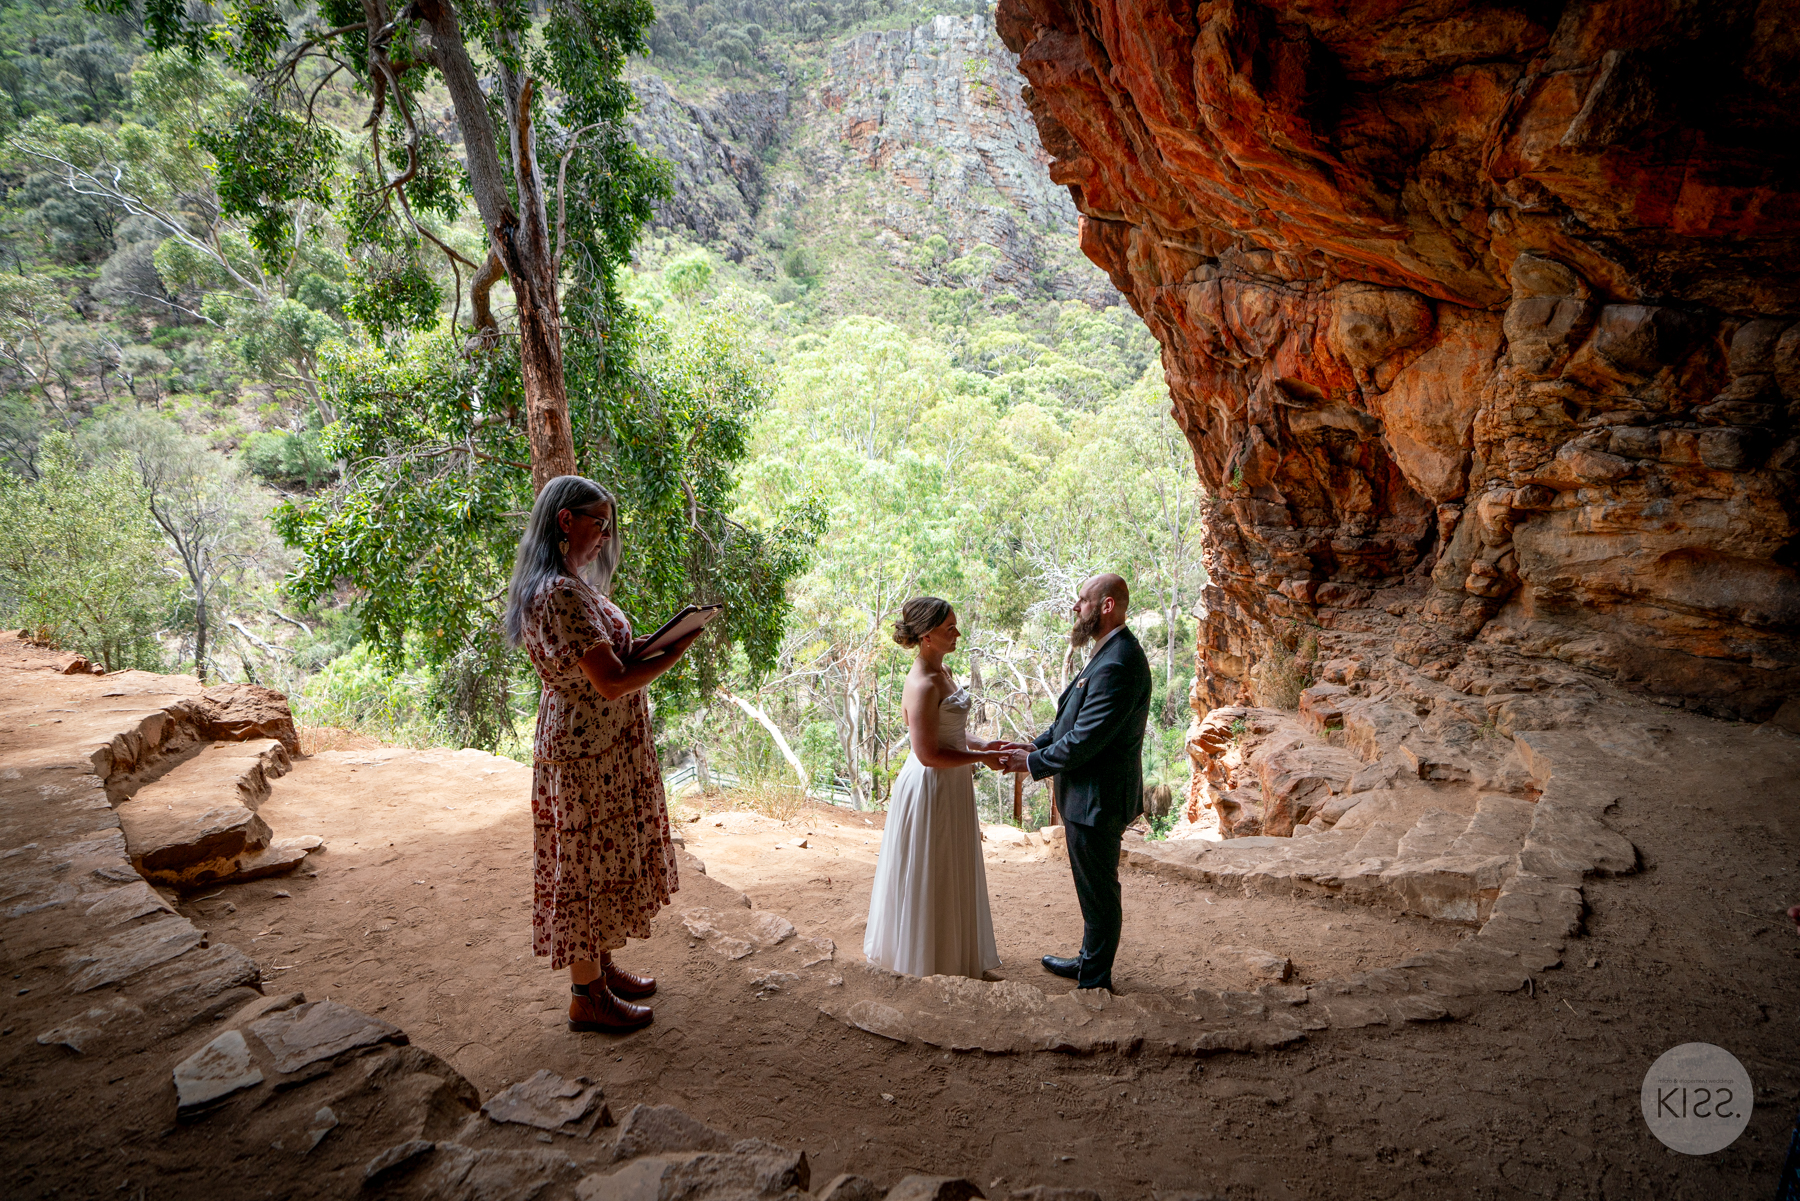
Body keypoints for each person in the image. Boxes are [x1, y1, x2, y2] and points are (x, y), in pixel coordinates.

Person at [505, 475, 705, 1033]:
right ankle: (586, 996)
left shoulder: (569, 586)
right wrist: (676, 652)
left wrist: (661, 640)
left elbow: (611, 655)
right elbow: (611, 682)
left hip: (602, 747)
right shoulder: (559, 594)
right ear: (566, 521)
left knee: (600, 857)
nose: (605, 536)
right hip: (584, 751)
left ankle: (601, 967)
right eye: (599, 523)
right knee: (584, 864)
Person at [999, 573, 1151, 993]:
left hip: (1098, 798)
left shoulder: (1119, 662)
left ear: (1107, 606)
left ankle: (1095, 980)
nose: (1075, 607)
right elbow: (1071, 719)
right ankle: (1088, 961)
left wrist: (1032, 762)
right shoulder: (1107, 651)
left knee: (1099, 891)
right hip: (1087, 796)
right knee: (1091, 887)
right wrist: (1034, 744)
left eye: (1083, 600)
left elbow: (1086, 739)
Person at [863, 597, 1013, 979]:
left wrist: (984, 745)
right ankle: (928, 963)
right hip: (931, 787)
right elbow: (928, 753)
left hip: (953, 782)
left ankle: (957, 957)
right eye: (950, 628)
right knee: (934, 870)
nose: (957, 633)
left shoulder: (942, 670)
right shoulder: (924, 684)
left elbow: (951, 732)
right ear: (927, 636)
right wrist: (980, 758)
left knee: (951, 866)